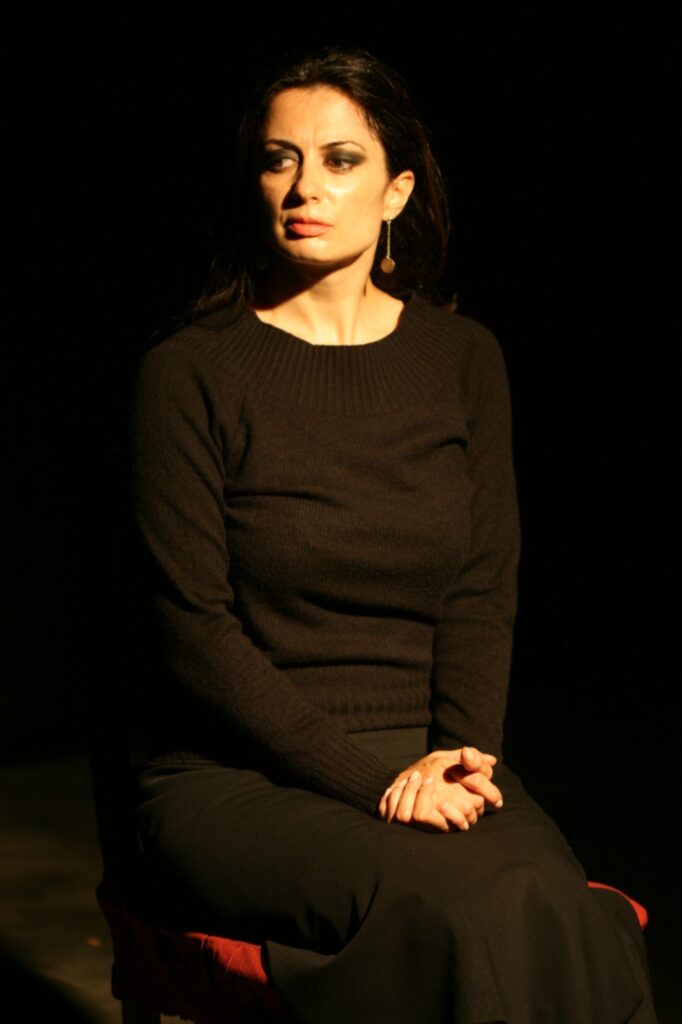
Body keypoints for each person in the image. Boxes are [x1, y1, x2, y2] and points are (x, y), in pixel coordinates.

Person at [127, 46, 657, 1023]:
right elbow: (193, 634)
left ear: (396, 190)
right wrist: (373, 781)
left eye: (339, 160)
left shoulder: (463, 359)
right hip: (237, 779)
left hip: (426, 762)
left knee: (554, 904)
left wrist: (461, 754)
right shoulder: (190, 372)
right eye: (279, 159)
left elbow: (483, 587)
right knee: (464, 908)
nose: (303, 187)